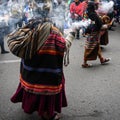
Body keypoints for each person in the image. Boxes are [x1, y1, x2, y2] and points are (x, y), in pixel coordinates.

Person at [10, 0, 76, 120]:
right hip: (46, 72)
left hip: (29, 70)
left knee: (31, 87)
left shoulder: (29, 25)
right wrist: (71, 34)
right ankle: (46, 113)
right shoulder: (52, 30)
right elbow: (64, 46)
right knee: (44, 91)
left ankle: (30, 106)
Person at [82, 1, 111, 68]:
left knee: (97, 46)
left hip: (91, 33)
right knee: (89, 48)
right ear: (92, 7)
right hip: (93, 34)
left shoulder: (88, 13)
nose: (96, 6)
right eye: (95, 5)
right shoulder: (93, 15)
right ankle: (84, 63)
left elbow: (89, 24)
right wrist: (107, 26)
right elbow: (99, 25)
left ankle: (102, 59)